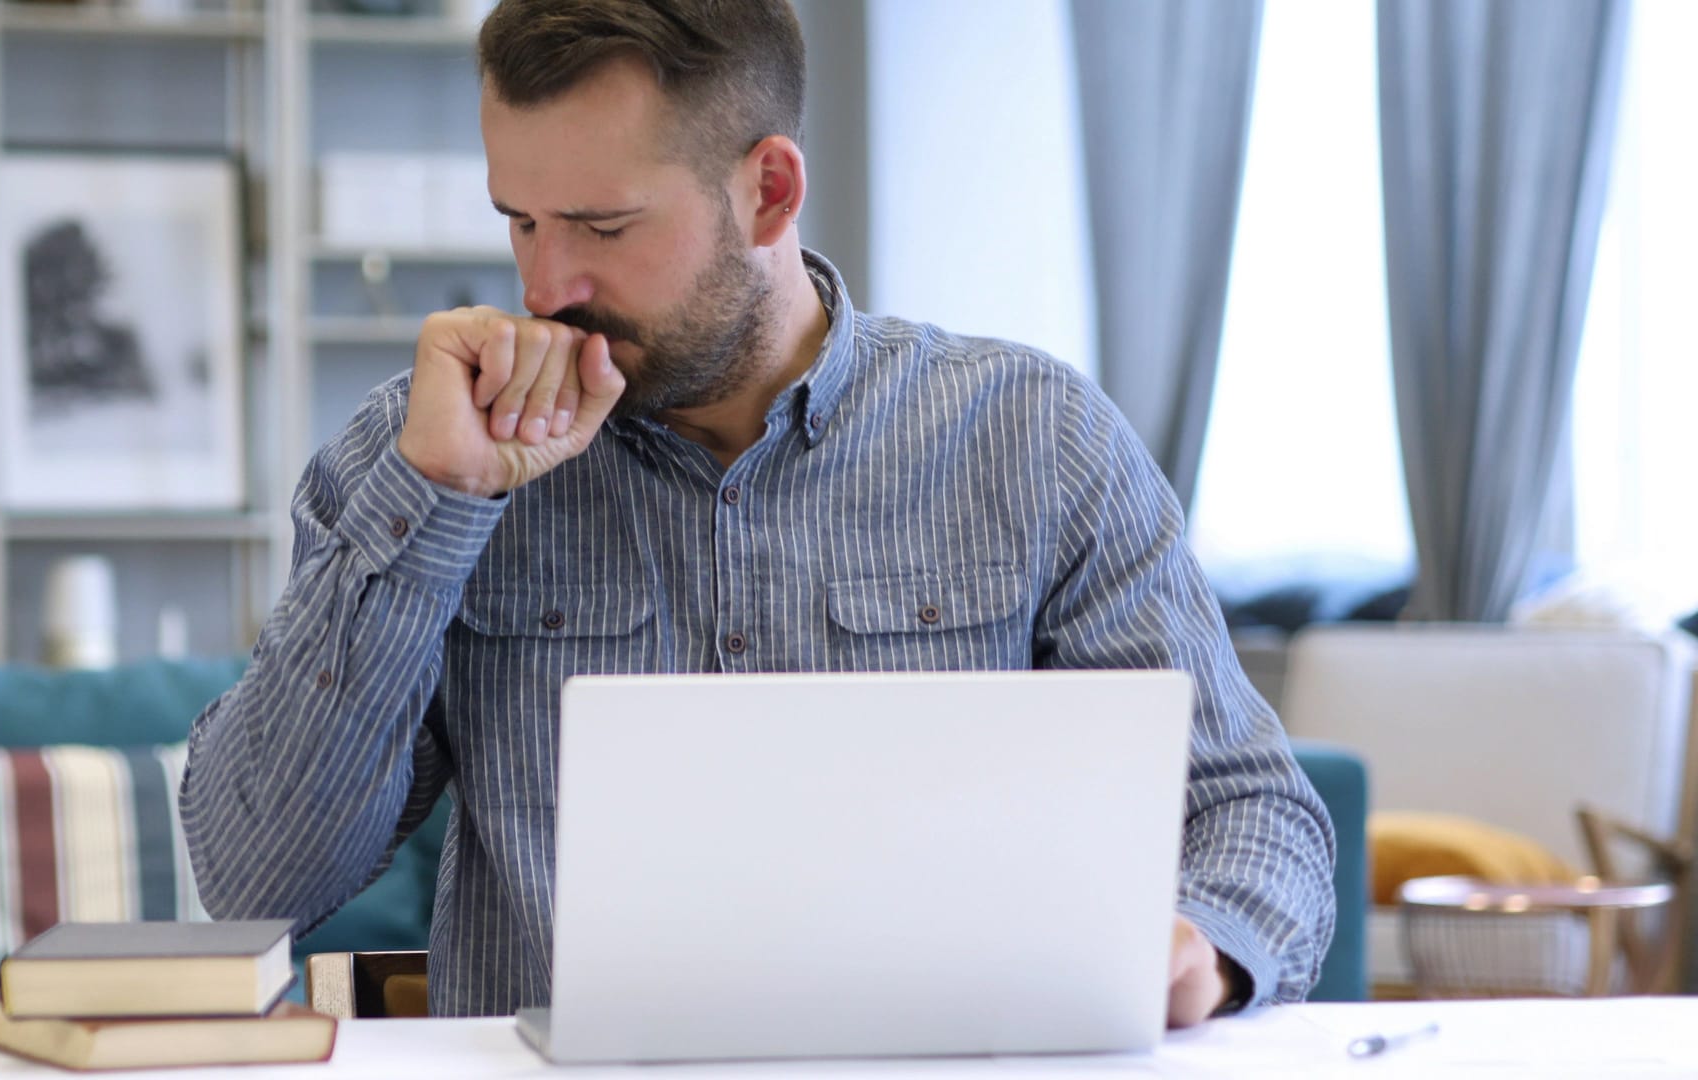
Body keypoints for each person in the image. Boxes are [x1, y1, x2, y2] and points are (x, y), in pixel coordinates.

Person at [180, 0, 1334, 1030]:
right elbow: (254, 881)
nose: (543, 287)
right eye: (521, 221)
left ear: (770, 191)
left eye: (601, 224)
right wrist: (437, 502)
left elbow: (1254, 816)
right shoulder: (424, 451)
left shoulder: (1031, 440)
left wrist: (1201, 948)